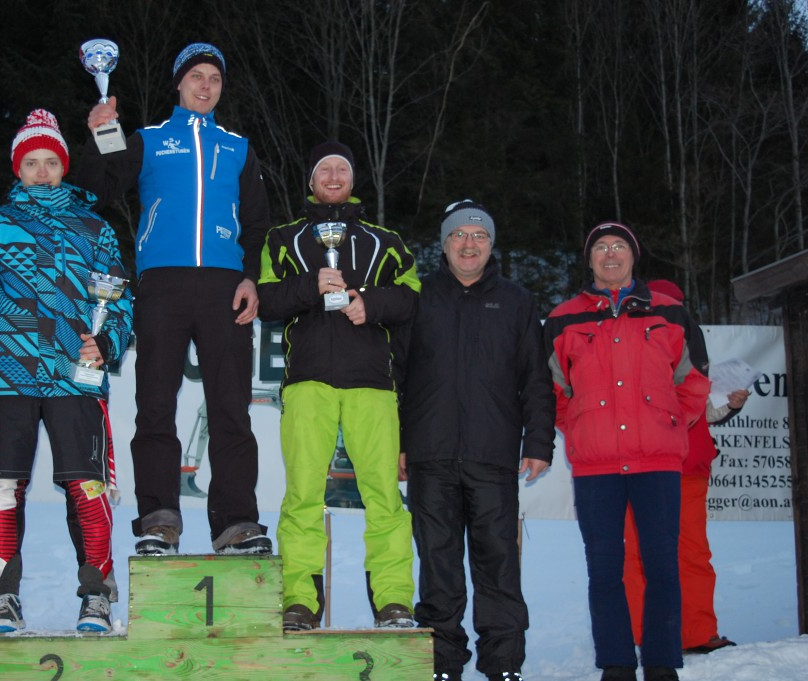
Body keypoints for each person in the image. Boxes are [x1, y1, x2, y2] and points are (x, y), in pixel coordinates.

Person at [76, 42, 272, 556]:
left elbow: (257, 223)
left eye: (214, 78)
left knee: (231, 408)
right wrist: (100, 136)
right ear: (179, 83)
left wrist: (250, 278)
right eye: (196, 76)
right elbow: (97, 191)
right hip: (162, 285)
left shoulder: (238, 148)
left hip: (225, 288)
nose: (206, 86)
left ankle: (236, 522)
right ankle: (158, 519)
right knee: (156, 406)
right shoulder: (149, 139)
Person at [0, 109, 132, 634]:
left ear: (64, 166)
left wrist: (108, 341)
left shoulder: (94, 228)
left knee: (87, 486)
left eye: (51, 161)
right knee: (4, 487)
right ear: (18, 168)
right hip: (5, 374)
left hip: (75, 374)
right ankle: (2, 599)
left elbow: (119, 300)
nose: (42, 171)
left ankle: (96, 597)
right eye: (32, 163)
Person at [257, 141, 419, 631]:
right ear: (311, 180)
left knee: (385, 498)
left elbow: (413, 297)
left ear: (353, 179)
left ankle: (393, 601)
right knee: (303, 497)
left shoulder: (386, 241)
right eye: (323, 169)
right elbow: (267, 299)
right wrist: (311, 286)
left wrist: (371, 303)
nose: (332, 176)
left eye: (341, 169)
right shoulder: (283, 239)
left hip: (373, 384)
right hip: (308, 383)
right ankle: (300, 602)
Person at [397, 200, 556, 681]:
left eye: (479, 235)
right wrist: (398, 441)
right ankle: (443, 662)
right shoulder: (417, 296)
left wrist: (539, 443)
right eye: (460, 235)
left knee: (498, 565)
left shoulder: (516, 301)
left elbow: (536, 380)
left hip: (493, 455)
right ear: (444, 244)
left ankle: (503, 663)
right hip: (430, 454)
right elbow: (396, 376)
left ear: (491, 245)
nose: (469, 244)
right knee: (438, 566)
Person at [544, 223, 710, 681]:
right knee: (604, 569)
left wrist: (670, 419)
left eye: (619, 246)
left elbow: (694, 379)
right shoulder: (564, 318)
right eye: (601, 247)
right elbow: (551, 389)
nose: (610, 254)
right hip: (595, 466)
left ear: (634, 257)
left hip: (657, 461)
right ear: (590, 259)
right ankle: (616, 663)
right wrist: (579, 425)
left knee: (662, 565)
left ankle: (661, 662)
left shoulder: (670, 313)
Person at [622, 279, 748, 655]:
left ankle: (697, 633)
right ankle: (644, 635)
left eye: (674, 308)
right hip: (639, 467)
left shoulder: (692, 348)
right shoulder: (623, 348)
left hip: (686, 467)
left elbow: (703, 411)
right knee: (639, 553)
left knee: (689, 552)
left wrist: (732, 405)